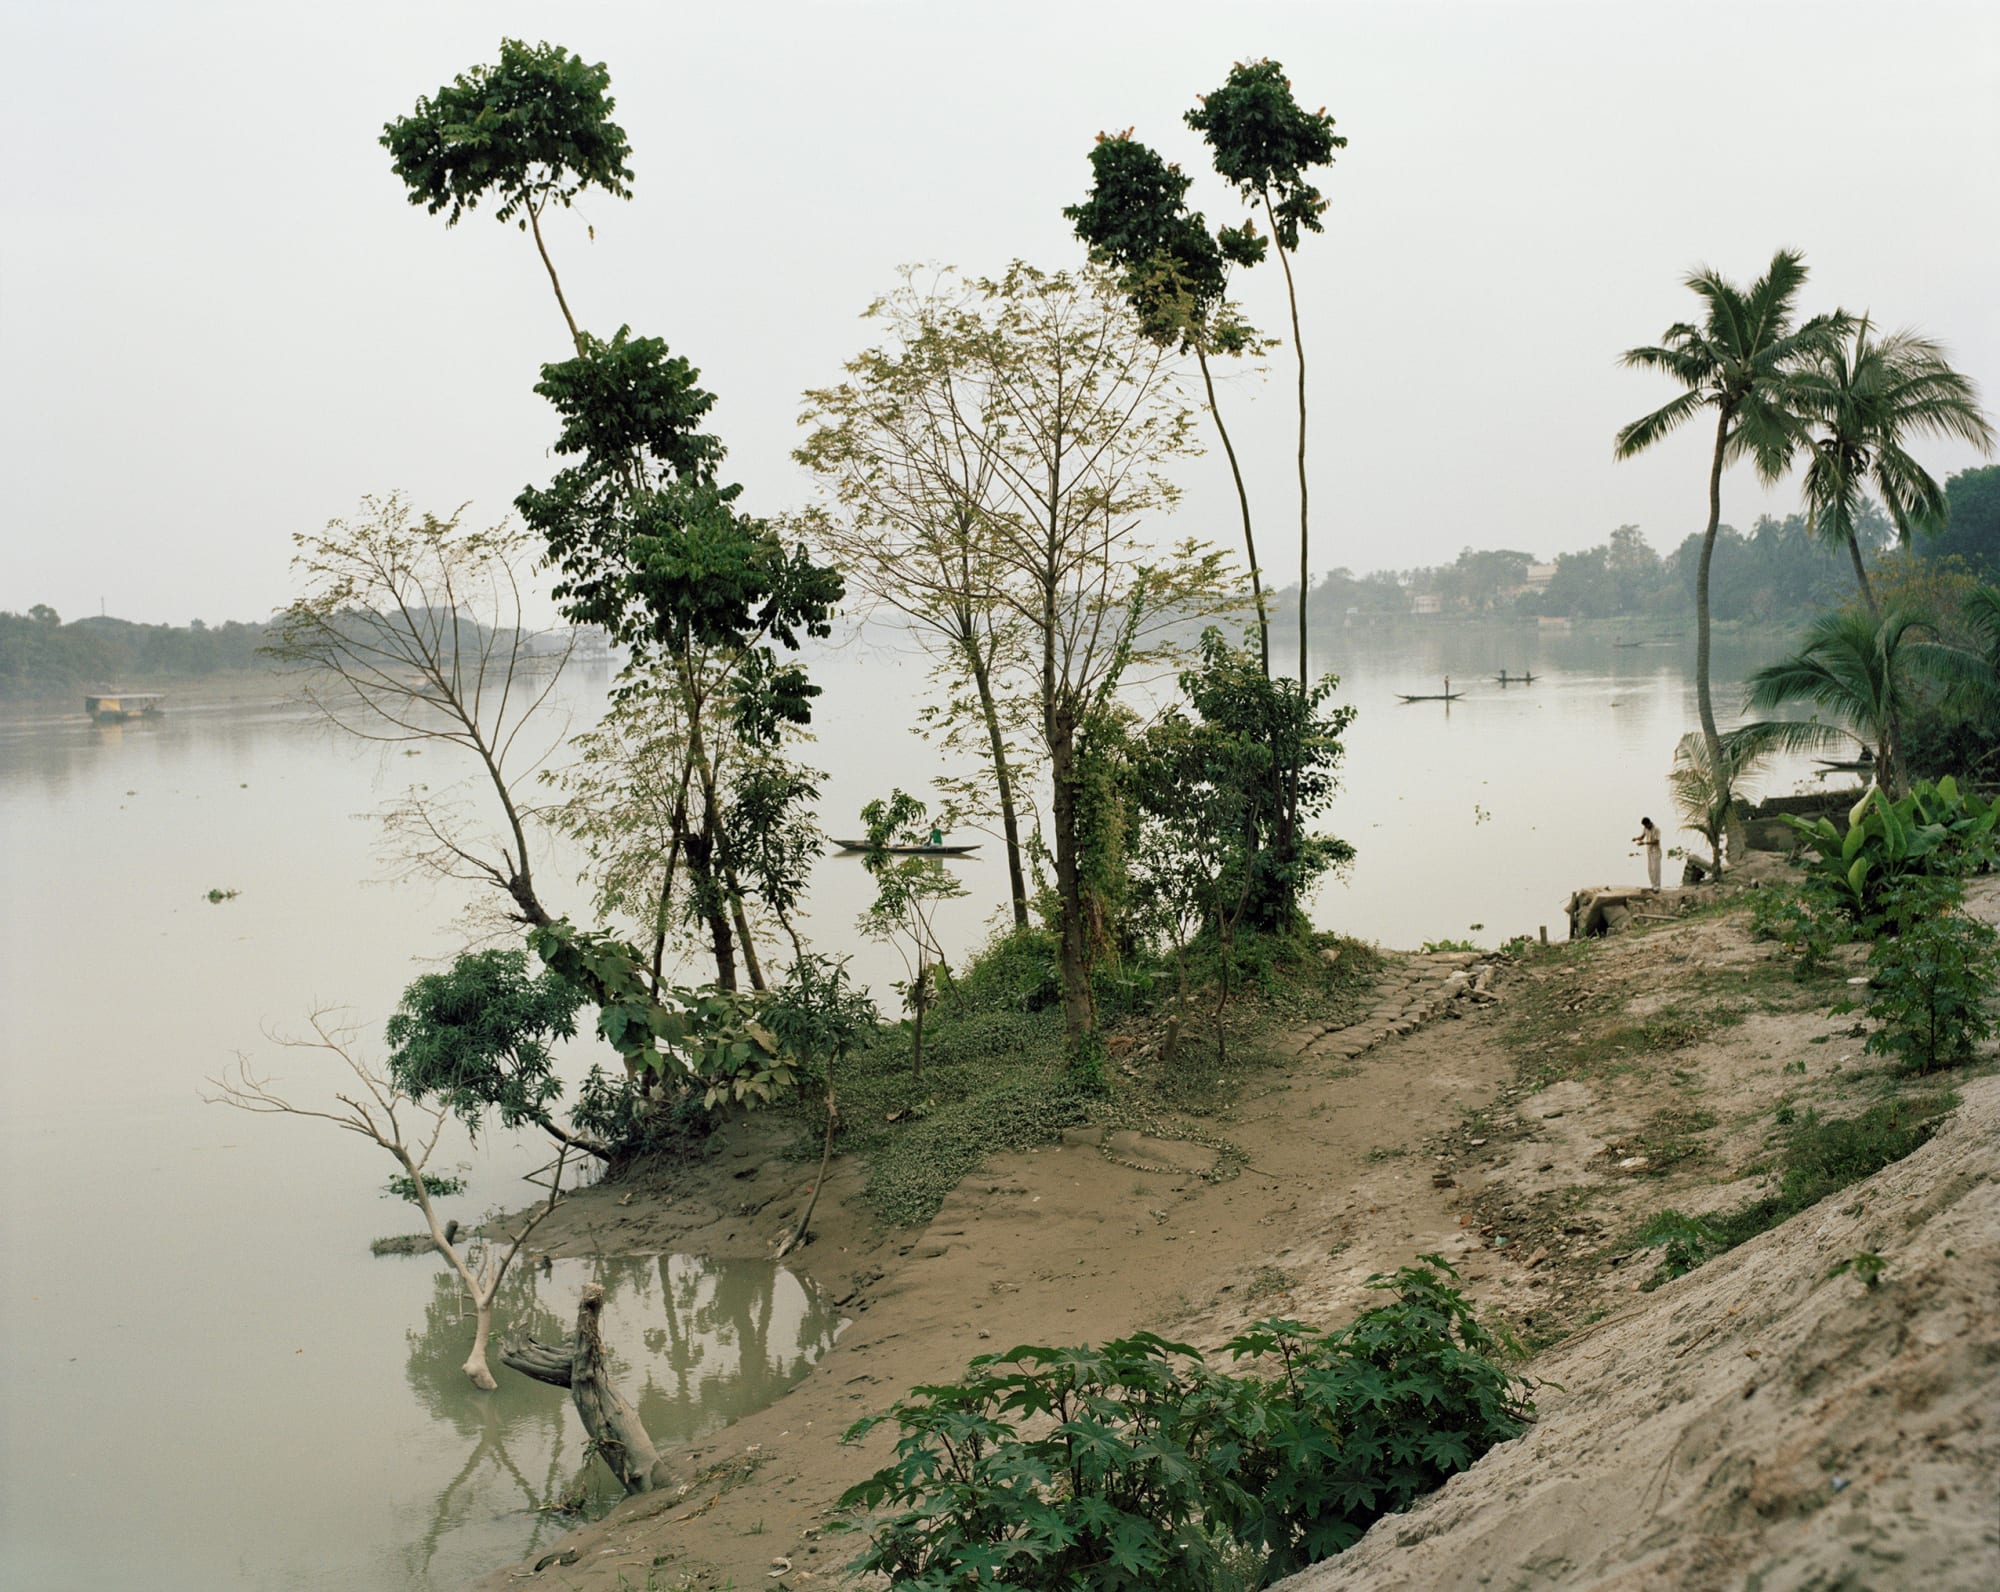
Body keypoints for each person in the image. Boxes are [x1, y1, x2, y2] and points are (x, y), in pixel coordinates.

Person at [1633, 816, 1663, 889]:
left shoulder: (1656, 829)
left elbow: (1656, 841)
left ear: (1649, 823)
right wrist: (1636, 838)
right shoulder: (1645, 828)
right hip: (1649, 851)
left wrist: (1644, 843)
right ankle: (1653, 885)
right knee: (1650, 869)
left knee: (1656, 869)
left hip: (1656, 851)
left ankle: (1657, 886)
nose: (1645, 827)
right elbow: (1642, 837)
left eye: (1646, 825)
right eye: (1644, 826)